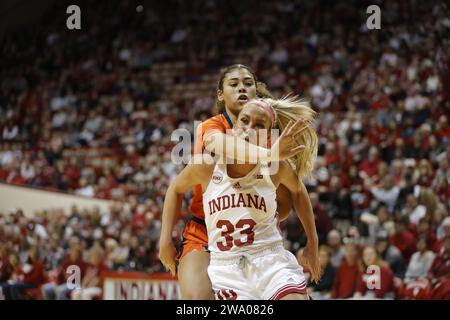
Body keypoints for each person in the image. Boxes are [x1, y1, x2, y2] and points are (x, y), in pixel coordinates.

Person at [159, 64, 312, 299]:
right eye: (234, 84)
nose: (242, 88)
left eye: (248, 83)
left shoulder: (271, 133)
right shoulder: (213, 127)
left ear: (257, 92)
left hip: (253, 237)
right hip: (205, 230)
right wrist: (164, 240)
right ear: (221, 94)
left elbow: (293, 194)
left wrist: (268, 214)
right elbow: (221, 145)